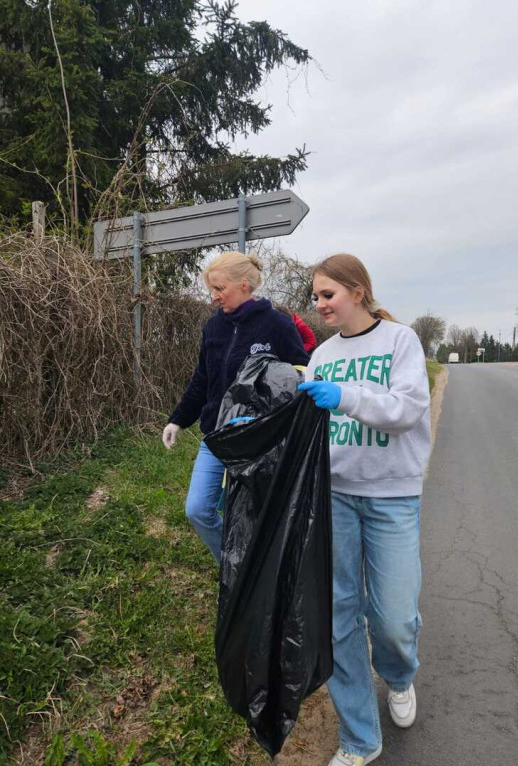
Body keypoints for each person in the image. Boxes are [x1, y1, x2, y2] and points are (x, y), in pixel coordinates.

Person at [298, 253, 431, 766]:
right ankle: (359, 738)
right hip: (332, 495)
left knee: (394, 619)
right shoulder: (322, 354)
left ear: (358, 291)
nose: (319, 304)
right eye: (314, 296)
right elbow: (308, 422)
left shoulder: (401, 341)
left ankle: (399, 677)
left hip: (391, 498)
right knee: (339, 617)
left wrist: (346, 396)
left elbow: (406, 409)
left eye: (327, 294)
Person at [162, 251, 309, 562]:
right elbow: (202, 379)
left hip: (259, 442)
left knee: (251, 516)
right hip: (217, 436)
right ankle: (233, 569)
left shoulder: (278, 325)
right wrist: (178, 419)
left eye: (219, 289)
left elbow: (300, 374)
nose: (214, 297)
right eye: (211, 290)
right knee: (198, 509)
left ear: (244, 285)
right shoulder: (213, 328)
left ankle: (253, 580)